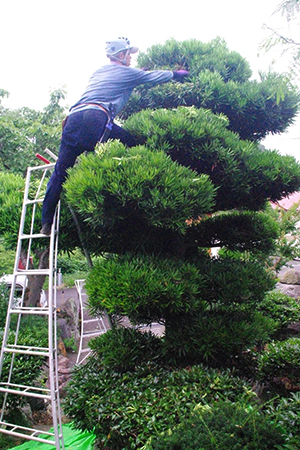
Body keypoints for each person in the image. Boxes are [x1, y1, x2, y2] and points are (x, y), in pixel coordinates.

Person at [40, 37, 189, 235]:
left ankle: (46, 223)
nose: (131, 59)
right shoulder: (126, 72)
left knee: (60, 172)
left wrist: (136, 74)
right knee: (133, 144)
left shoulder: (98, 71)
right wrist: (175, 74)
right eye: (129, 54)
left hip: (73, 119)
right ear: (121, 55)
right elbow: (152, 77)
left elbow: (118, 80)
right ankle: (128, 198)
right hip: (96, 118)